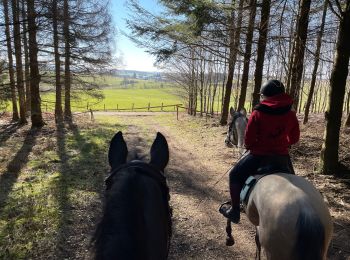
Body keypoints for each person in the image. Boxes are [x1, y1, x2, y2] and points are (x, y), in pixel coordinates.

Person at [220, 79, 300, 223]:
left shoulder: (258, 112)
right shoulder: (290, 112)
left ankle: (235, 212)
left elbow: (248, 140)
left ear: (266, 96)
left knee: (234, 175)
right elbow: (294, 138)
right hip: (282, 158)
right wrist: (281, 144)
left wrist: (255, 146)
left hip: (259, 156)